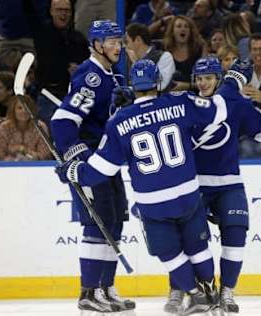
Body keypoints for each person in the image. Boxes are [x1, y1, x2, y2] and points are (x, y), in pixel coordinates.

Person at [56, 59, 229, 315]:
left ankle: (194, 294)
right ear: (158, 82)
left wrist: (72, 171)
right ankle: (209, 294)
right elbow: (220, 111)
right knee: (199, 247)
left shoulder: (119, 122)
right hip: (188, 194)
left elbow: (100, 171)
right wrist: (233, 84)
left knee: (169, 252)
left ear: (132, 86)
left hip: (154, 203)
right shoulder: (179, 102)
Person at [165, 55, 261, 314]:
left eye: (208, 78)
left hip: (228, 183)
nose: (203, 83)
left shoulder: (235, 104)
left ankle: (227, 290)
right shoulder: (185, 105)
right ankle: (181, 288)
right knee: (189, 240)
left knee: (236, 235)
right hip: (192, 185)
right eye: (199, 78)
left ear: (219, 79)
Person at [50, 20, 134, 313]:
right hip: (92, 161)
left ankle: (106, 288)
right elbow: (62, 122)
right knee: (97, 223)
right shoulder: (91, 77)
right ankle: (88, 292)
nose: (117, 46)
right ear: (97, 45)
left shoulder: (112, 75)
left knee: (114, 221)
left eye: (119, 41)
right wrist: (75, 158)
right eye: (111, 41)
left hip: (109, 160)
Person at [24, 0, 89, 126]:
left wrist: (79, 70)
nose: (63, 14)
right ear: (51, 11)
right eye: (59, 10)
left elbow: (89, 65)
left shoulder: (79, 38)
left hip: (74, 97)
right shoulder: (41, 35)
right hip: (48, 95)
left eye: (67, 10)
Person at [0, 95, 51, 161]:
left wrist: (22, 149)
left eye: (27, 108)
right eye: (20, 108)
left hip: (35, 167)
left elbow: (45, 156)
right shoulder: (4, 127)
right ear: (13, 110)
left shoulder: (40, 127)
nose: (24, 111)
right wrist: (15, 161)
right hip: (9, 167)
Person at [125, 22, 175, 92]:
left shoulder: (165, 57)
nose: (126, 46)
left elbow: (160, 86)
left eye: (127, 42)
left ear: (138, 40)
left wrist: (138, 64)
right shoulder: (126, 60)